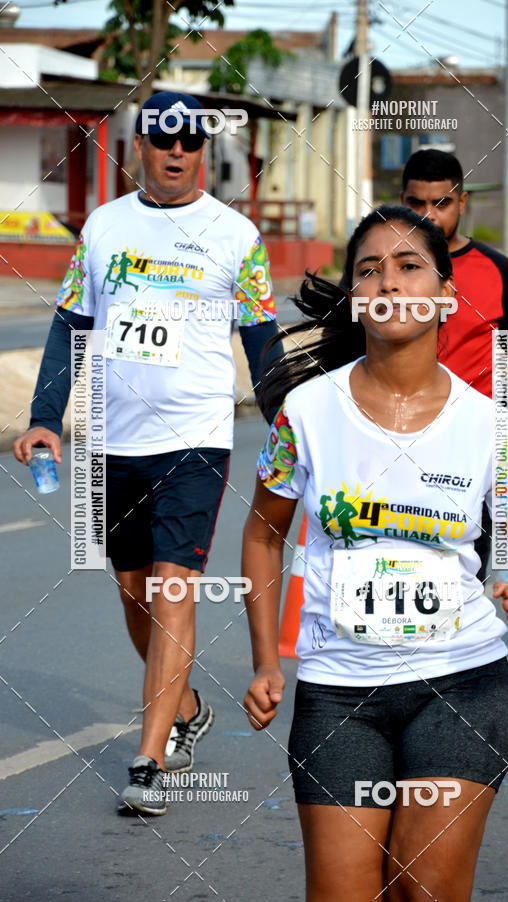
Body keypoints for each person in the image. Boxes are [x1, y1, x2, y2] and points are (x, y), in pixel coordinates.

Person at [242, 206, 508, 901]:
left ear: (445, 294)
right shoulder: (306, 413)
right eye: (369, 270)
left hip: (461, 689)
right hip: (339, 699)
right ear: (358, 298)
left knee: (422, 890)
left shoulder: (490, 427)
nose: (388, 280)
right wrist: (267, 658)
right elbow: (263, 533)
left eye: (408, 265)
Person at [13, 91, 282, 816]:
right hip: (112, 439)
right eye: (162, 140)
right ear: (138, 148)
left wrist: (291, 426)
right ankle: (187, 705)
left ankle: (149, 758)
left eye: (189, 142)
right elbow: (71, 324)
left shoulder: (235, 235)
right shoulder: (103, 228)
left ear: (203, 151)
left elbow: (263, 345)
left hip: (195, 440)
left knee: (171, 590)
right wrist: (45, 418)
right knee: (134, 592)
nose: (175, 151)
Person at [401, 148, 508, 579]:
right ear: (401, 200)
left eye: (441, 203)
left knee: (462, 575)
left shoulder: (498, 273)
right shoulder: (381, 274)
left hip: (467, 456)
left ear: (462, 203)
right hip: (393, 449)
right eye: (416, 204)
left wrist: (505, 434)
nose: (428, 216)